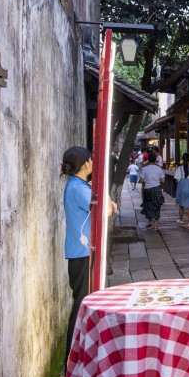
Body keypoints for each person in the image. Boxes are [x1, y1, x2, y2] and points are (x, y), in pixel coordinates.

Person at [61, 146, 117, 363]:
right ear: (85, 164)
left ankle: (81, 357)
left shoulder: (78, 186)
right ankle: (71, 360)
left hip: (82, 253)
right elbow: (108, 210)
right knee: (81, 308)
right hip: (83, 254)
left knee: (84, 305)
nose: (93, 163)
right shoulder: (78, 188)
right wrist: (102, 191)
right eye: (91, 160)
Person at [140, 153, 164, 230]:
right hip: (157, 189)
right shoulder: (159, 169)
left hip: (148, 189)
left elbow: (141, 180)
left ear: (148, 160)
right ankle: (156, 225)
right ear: (155, 160)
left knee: (149, 205)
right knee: (157, 206)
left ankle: (152, 221)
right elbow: (163, 180)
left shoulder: (144, 169)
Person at [174, 153, 189, 229]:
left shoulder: (179, 169)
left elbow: (177, 180)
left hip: (182, 189)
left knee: (181, 205)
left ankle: (181, 220)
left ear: (182, 159)